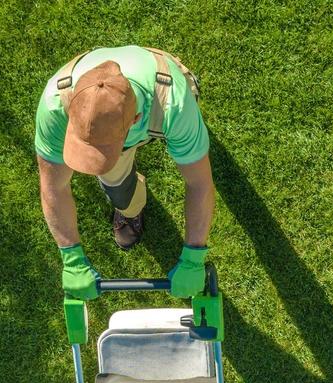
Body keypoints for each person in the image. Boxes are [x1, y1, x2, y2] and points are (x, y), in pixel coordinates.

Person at [35, 46, 215, 300]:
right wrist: (71, 258)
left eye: (102, 149)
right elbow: (53, 186)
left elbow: (199, 182)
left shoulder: (173, 103)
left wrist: (193, 257)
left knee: (192, 148)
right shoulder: (56, 105)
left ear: (135, 119)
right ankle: (130, 211)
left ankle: (168, 141)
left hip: (160, 100)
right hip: (136, 122)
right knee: (118, 190)